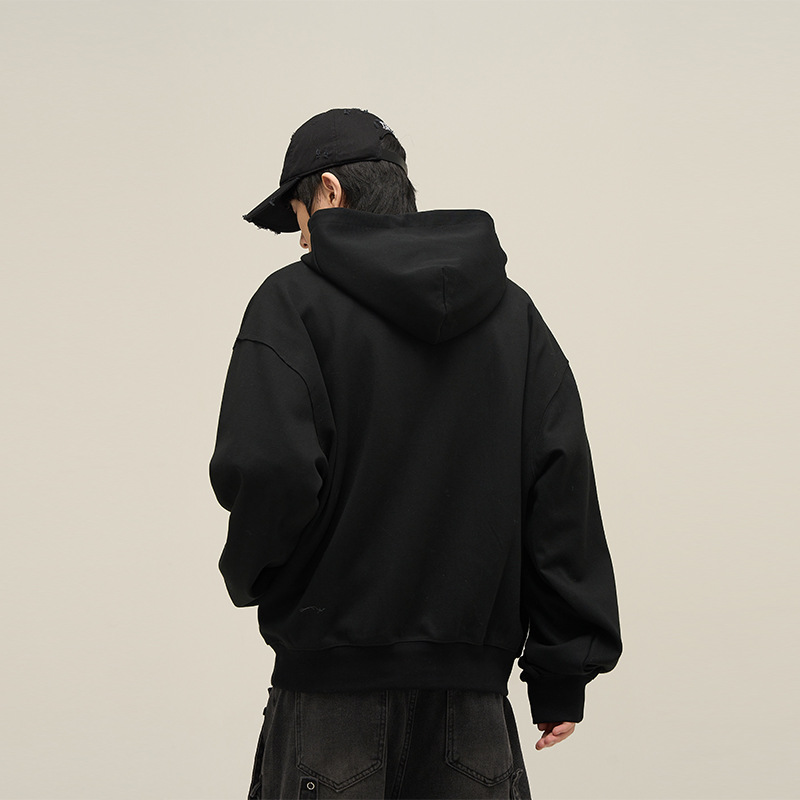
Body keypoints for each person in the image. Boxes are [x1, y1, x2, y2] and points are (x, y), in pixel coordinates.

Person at [209, 108, 622, 800]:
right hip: (472, 711)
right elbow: (561, 490)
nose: (302, 240)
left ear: (330, 191)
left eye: (299, 218)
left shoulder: (292, 303)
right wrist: (561, 671)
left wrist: (257, 578)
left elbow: (268, 467)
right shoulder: (513, 316)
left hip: (329, 702)